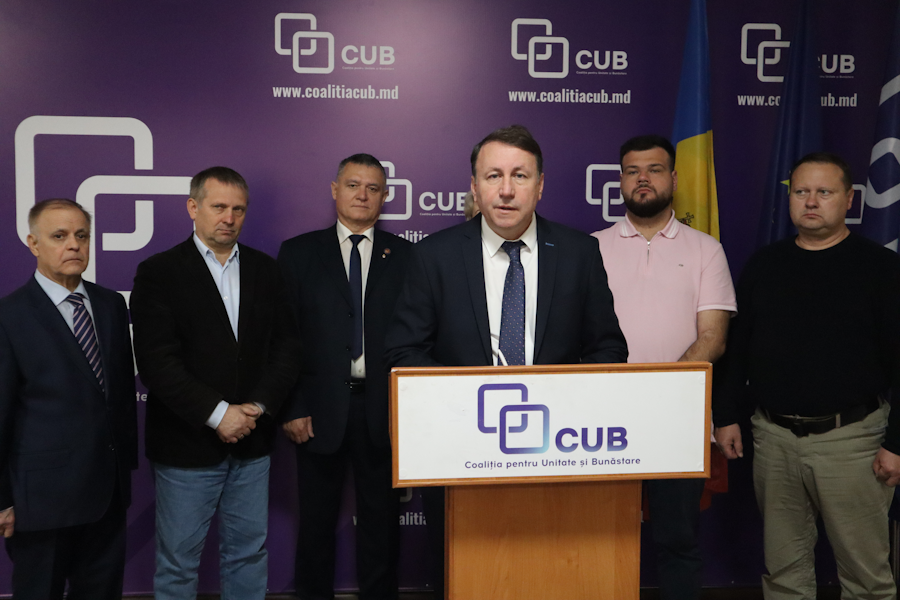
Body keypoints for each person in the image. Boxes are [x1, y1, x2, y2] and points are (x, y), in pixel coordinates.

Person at [384, 124, 628, 597]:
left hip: (559, 451)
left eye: (520, 175)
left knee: (549, 575)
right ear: (475, 187)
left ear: (541, 185)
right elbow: (404, 351)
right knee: (465, 576)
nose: (507, 189)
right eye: (493, 175)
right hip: (460, 449)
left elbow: (608, 348)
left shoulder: (579, 252)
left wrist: (570, 407)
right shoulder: (435, 255)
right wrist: (470, 402)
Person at [714, 153, 900, 600]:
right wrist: (726, 415)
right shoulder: (764, 265)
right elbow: (737, 352)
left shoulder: (881, 269)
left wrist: (897, 443)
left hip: (853, 442)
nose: (811, 201)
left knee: (866, 578)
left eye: (823, 192)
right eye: (801, 192)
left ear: (849, 199)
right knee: (783, 574)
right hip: (773, 438)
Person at [130, 166, 300, 600]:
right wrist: (218, 414)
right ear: (193, 207)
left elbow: (286, 348)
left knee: (248, 555)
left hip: (252, 443)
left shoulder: (266, 270)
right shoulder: (159, 272)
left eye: (238, 209)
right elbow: (156, 362)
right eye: (219, 206)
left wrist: (256, 408)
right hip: (186, 447)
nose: (229, 217)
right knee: (177, 564)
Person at [592, 135, 735, 600]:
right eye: (632, 171)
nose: (643, 179)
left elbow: (713, 337)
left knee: (677, 541)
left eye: (654, 169)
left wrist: (657, 391)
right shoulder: (589, 248)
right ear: (620, 181)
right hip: (602, 423)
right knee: (601, 540)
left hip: (678, 420)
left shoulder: (705, 249)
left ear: (673, 178)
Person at [277, 153, 411, 600]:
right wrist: (293, 406)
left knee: (382, 527)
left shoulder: (407, 257)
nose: (362, 195)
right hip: (317, 412)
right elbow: (283, 337)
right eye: (353, 185)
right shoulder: (298, 253)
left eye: (373, 188)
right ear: (335, 190)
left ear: (385, 197)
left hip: (383, 412)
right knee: (315, 525)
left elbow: (417, 338)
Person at [0, 198, 137, 600]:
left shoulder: (111, 304)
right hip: (41, 502)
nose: (74, 245)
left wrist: (124, 473)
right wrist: (1, 499)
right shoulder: (9, 316)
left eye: (81, 235)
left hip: (107, 495)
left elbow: (119, 396)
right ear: (33, 243)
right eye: (59, 236)